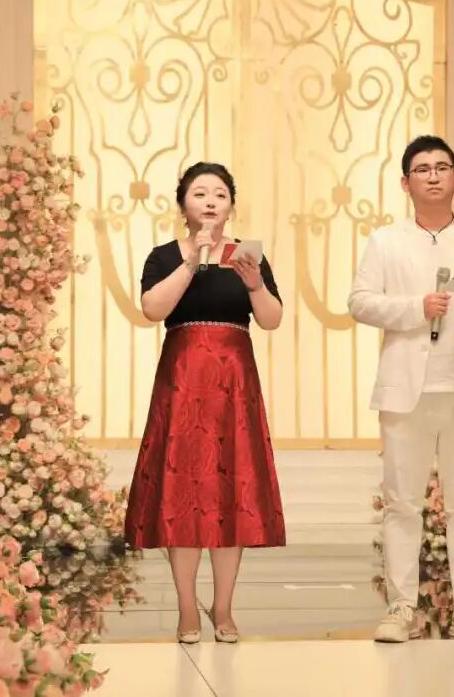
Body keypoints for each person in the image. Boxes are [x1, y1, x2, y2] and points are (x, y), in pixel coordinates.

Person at [348, 135, 454, 643]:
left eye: (443, 167)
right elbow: (360, 302)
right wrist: (415, 308)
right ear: (406, 183)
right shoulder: (386, 241)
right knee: (403, 503)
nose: (434, 176)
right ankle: (401, 606)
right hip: (406, 388)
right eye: (423, 169)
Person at [123, 162, 286, 644]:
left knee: (232, 492)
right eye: (199, 193)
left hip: (234, 384)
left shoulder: (248, 257)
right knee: (184, 494)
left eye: (219, 194)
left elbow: (272, 319)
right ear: (183, 204)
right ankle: (186, 608)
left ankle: (224, 607)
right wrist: (192, 260)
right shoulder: (164, 256)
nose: (211, 201)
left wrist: (255, 284)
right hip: (183, 382)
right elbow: (153, 309)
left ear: (231, 204)